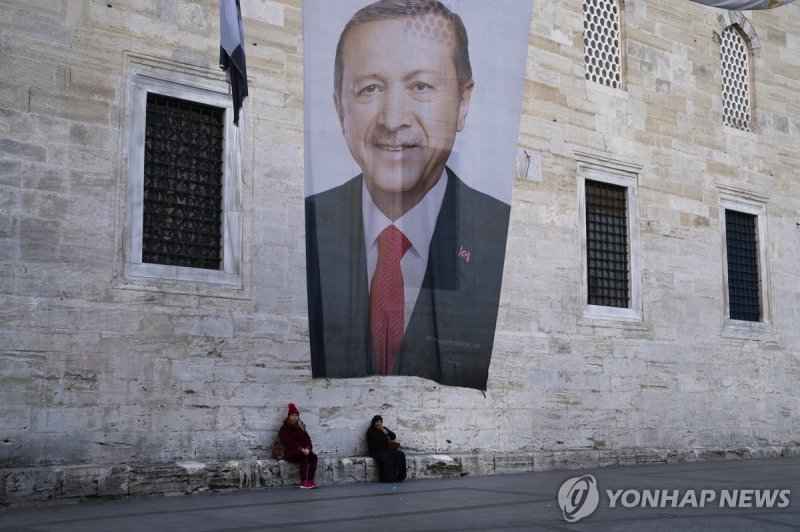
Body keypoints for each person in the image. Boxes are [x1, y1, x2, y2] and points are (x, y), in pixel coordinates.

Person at [305, 0, 510, 391]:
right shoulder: (309, 227)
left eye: (421, 86)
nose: (393, 118)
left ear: (463, 102)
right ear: (340, 110)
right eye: (369, 89)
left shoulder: (501, 234)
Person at [278, 403, 318, 489]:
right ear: (289, 416)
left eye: (296, 415)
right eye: (292, 415)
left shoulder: (301, 427)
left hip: (303, 450)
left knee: (314, 457)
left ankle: (311, 480)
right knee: (303, 457)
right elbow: (287, 442)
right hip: (290, 451)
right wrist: (299, 448)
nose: (295, 417)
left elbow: (308, 439)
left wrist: (307, 448)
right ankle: (303, 482)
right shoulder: (285, 428)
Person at [366, 415, 407, 483]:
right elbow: (376, 442)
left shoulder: (383, 429)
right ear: (374, 422)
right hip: (375, 451)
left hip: (385, 449)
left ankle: (400, 476)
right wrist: (385, 438)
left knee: (400, 454)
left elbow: (393, 436)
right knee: (385, 457)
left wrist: (386, 432)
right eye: (377, 422)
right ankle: (388, 478)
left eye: (380, 422)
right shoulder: (371, 430)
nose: (379, 423)